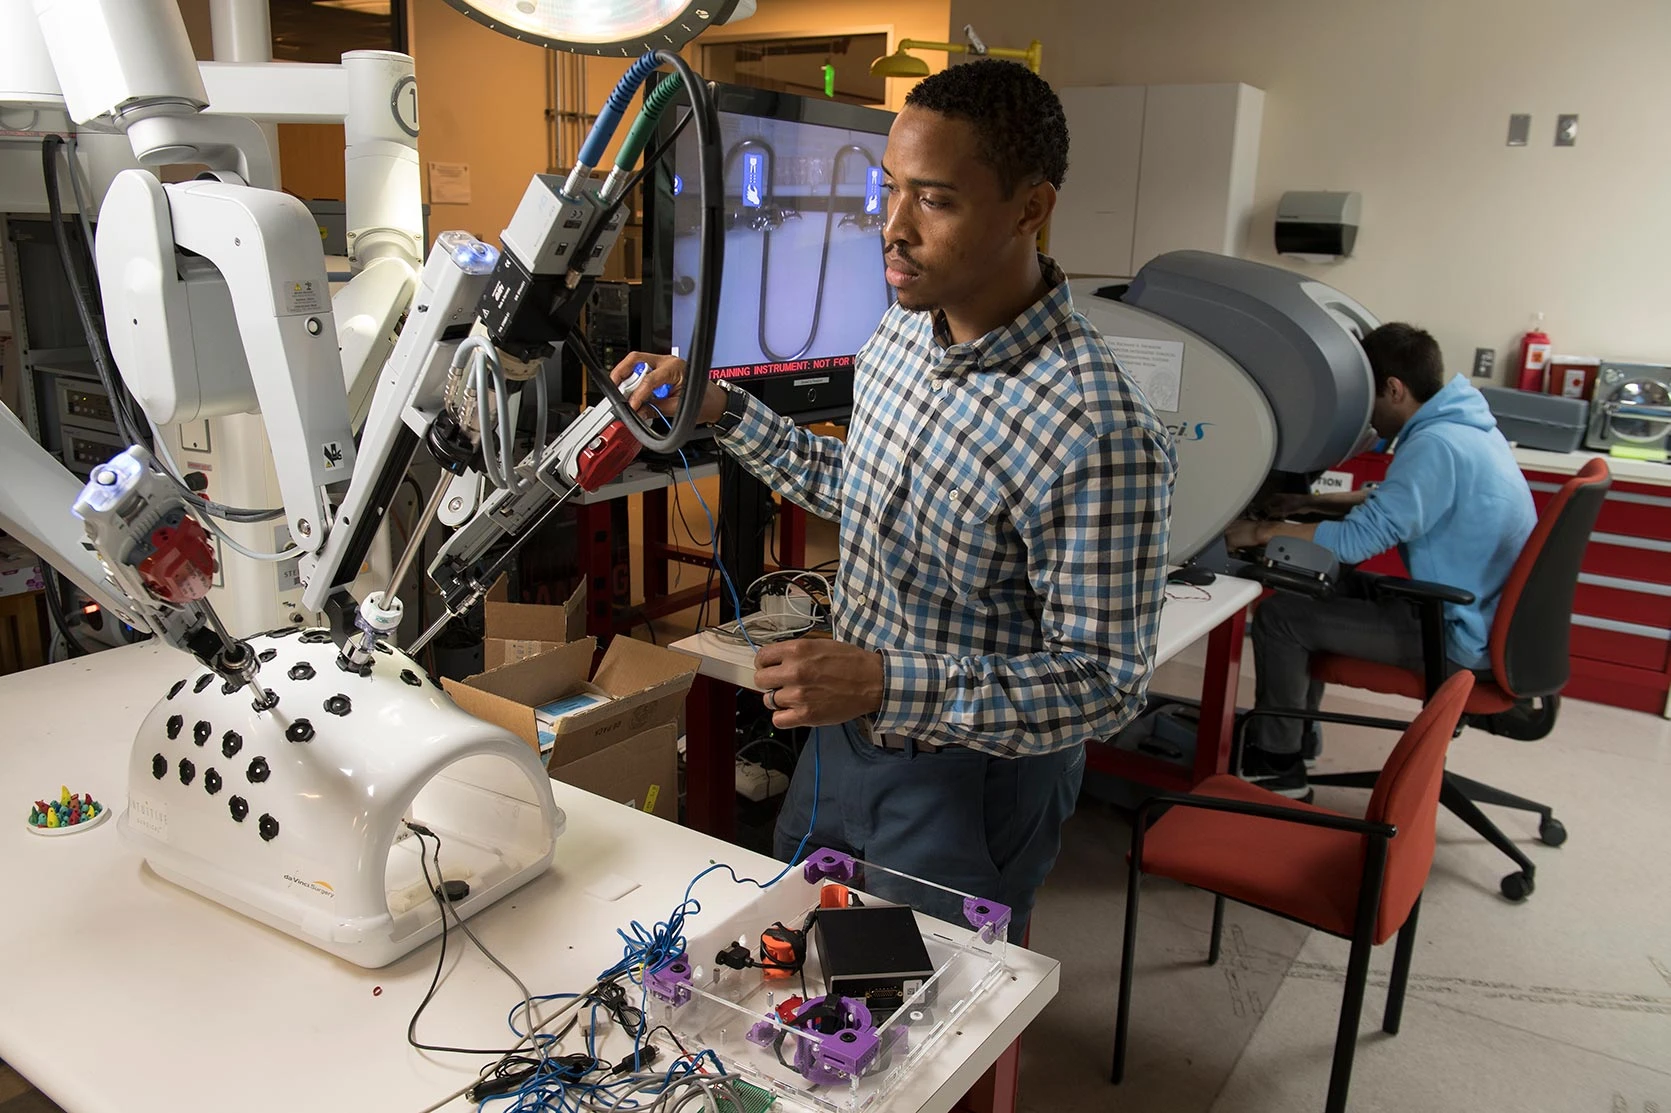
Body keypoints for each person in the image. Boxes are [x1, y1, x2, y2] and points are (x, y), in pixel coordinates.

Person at [613, 60, 1175, 940]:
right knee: (795, 968)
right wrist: (718, 407)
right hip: (844, 743)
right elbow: (861, 489)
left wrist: (883, 679)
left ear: (1030, 208)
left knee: (920, 1034)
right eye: (888, 190)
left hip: (969, 784)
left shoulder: (1094, 425)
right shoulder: (903, 332)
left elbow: (1103, 682)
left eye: (935, 200)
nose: (892, 228)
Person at [1224, 322, 1536, 800]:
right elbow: (1400, 500)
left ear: (1394, 389)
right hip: (1477, 613)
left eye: (1368, 398)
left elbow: (1355, 541)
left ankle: (1278, 763)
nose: (1365, 414)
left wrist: (1260, 532)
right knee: (1313, 587)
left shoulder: (1436, 444)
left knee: (1279, 617)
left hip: (1456, 634)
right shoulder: (1464, 426)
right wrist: (1304, 506)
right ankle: (1296, 734)